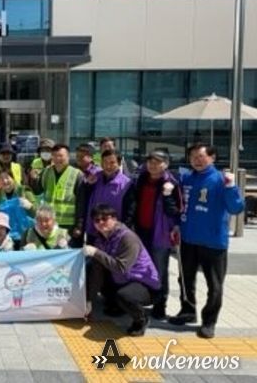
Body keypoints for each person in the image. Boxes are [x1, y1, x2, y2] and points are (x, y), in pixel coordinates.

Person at [168, 143, 244, 338]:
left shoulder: (221, 179)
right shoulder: (186, 178)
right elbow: (179, 205)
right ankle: (187, 311)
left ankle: (209, 321)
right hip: (188, 239)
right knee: (185, 279)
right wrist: (176, 225)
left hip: (213, 242)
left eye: (201, 156)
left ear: (212, 158)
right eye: (193, 157)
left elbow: (236, 208)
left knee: (215, 285)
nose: (197, 160)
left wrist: (231, 187)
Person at [83, 204, 160, 337]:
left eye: (105, 218)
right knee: (92, 268)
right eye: (97, 220)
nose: (101, 222)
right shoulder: (100, 239)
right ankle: (118, 305)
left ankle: (141, 319)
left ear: (114, 219)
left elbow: (121, 268)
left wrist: (96, 252)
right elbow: (97, 272)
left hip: (145, 284)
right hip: (123, 279)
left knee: (124, 296)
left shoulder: (128, 238)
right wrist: (90, 300)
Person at [132, 150, 183, 320]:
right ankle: (146, 299)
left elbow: (176, 210)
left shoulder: (171, 183)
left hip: (160, 233)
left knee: (160, 270)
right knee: (143, 268)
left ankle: (160, 305)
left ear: (166, 164)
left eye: (158, 162)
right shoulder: (141, 179)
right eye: (150, 162)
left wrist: (167, 195)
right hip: (141, 231)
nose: (153, 165)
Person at [82, 149, 135, 245]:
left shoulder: (127, 184)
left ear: (119, 163)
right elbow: (84, 200)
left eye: (112, 162)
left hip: (114, 234)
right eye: (105, 162)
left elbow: (130, 212)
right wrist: (88, 185)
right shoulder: (94, 178)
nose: (108, 166)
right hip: (94, 230)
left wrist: (122, 231)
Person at [30, 144, 84, 239]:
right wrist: (33, 180)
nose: (57, 158)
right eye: (54, 155)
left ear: (68, 156)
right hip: (49, 222)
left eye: (61, 156)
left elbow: (82, 202)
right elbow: (37, 192)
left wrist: (79, 225)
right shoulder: (46, 172)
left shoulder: (77, 174)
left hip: (68, 224)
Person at [0, 169, 34, 248]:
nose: (5, 181)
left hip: (26, 235)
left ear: (13, 178)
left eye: (7, 177)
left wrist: (30, 207)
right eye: (1, 179)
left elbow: (37, 212)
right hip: (8, 237)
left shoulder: (24, 191)